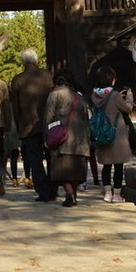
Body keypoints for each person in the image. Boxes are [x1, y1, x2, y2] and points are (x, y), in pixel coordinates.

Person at [10, 48, 55, 202]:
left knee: (35, 160)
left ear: (23, 62)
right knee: (52, 157)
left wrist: (17, 125)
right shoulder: (48, 76)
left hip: (28, 125)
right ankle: (53, 188)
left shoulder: (18, 80)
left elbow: (15, 107)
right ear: (36, 60)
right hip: (49, 124)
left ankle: (43, 191)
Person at [44, 73, 90, 207]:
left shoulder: (54, 95)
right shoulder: (79, 97)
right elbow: (86, 118)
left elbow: (48, 116)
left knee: (62, 169)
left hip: (61, 138)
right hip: (79, 138)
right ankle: (73, 194)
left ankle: (69, 193)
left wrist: (46, 137)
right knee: (75, 170)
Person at [91, 65, 134, 203]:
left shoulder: (94, 95)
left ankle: (107, 193)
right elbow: (127, 108)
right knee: (118, 166)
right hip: (116, 135)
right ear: (111, 79)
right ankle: (116, 195)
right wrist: (129, 97)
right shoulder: (115, 95)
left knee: (106, 165)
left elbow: (106, 103)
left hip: (102, 133)